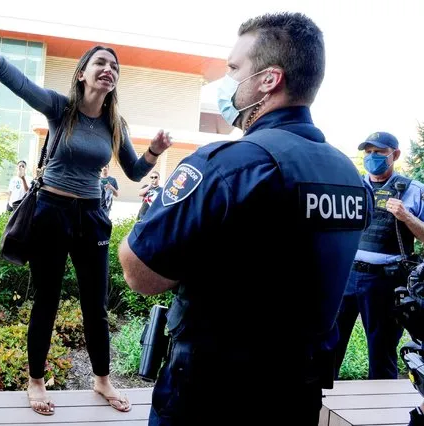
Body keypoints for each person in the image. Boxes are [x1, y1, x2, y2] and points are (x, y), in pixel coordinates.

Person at [118, 12, 370, 425]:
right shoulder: (347, 174)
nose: (226, 80)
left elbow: (140, 273)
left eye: (234, 68)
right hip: (295, 395)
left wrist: (155, 210)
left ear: (269, 79)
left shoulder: (228, 165)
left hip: (211, 396)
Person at [0, 27, 172, 415]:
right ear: (82, 74)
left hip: (91, 216)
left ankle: (102, 380)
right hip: (51, 211)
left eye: (114, 66)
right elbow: (20, 84)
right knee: (47, 301)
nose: (109, 69)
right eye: (100, 62)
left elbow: (136, 173)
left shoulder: (115, 125)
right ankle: (35, 380)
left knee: (95, 304)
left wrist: (154, 152)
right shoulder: (59, 109)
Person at [334, 131, 424, 380]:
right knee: (329, 345)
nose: (373, 157)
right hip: (347, 276)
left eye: (380, 153)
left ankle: (381, 411)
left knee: (381, 350)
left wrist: (406, 216)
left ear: (394, 155)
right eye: (369, 153)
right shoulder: (353, 185)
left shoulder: (413, 190)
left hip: (385, 281)